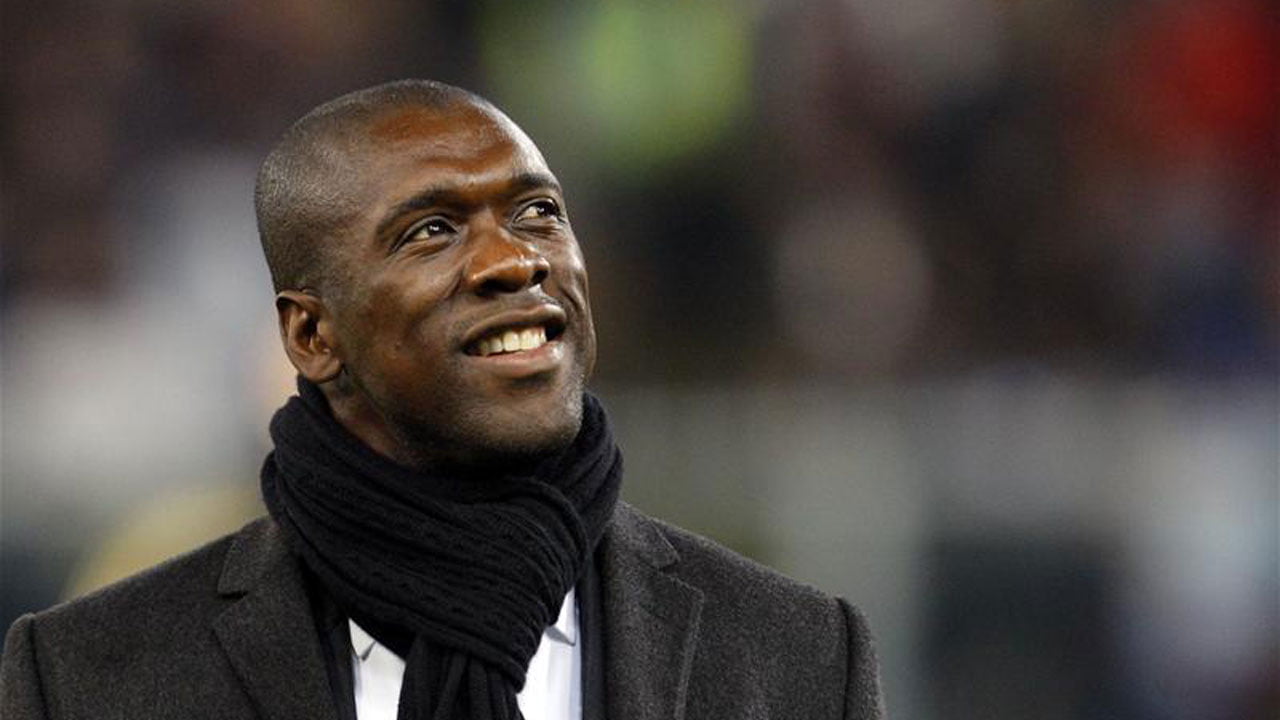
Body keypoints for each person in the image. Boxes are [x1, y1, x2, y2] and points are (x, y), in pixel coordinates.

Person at [0, 80, 885, 720]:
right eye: (433, 230)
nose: (515, 260)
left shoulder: (800, 656)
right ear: (313, 336)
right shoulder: (85, 678)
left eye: (538, 213)